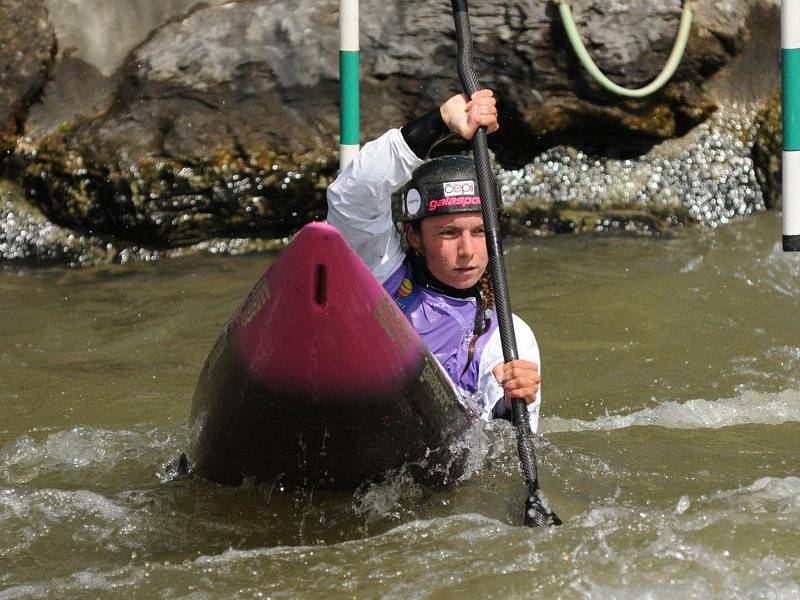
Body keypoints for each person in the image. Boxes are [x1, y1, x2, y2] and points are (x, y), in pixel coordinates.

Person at [327, 90, 542, 431]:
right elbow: (353, 194)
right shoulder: (379, 272)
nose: (468, 250)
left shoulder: (507, 335)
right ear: (415, 236)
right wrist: (438, 123)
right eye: (448, 233)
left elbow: (497, 453)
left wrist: (510, 406)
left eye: (479, 232)